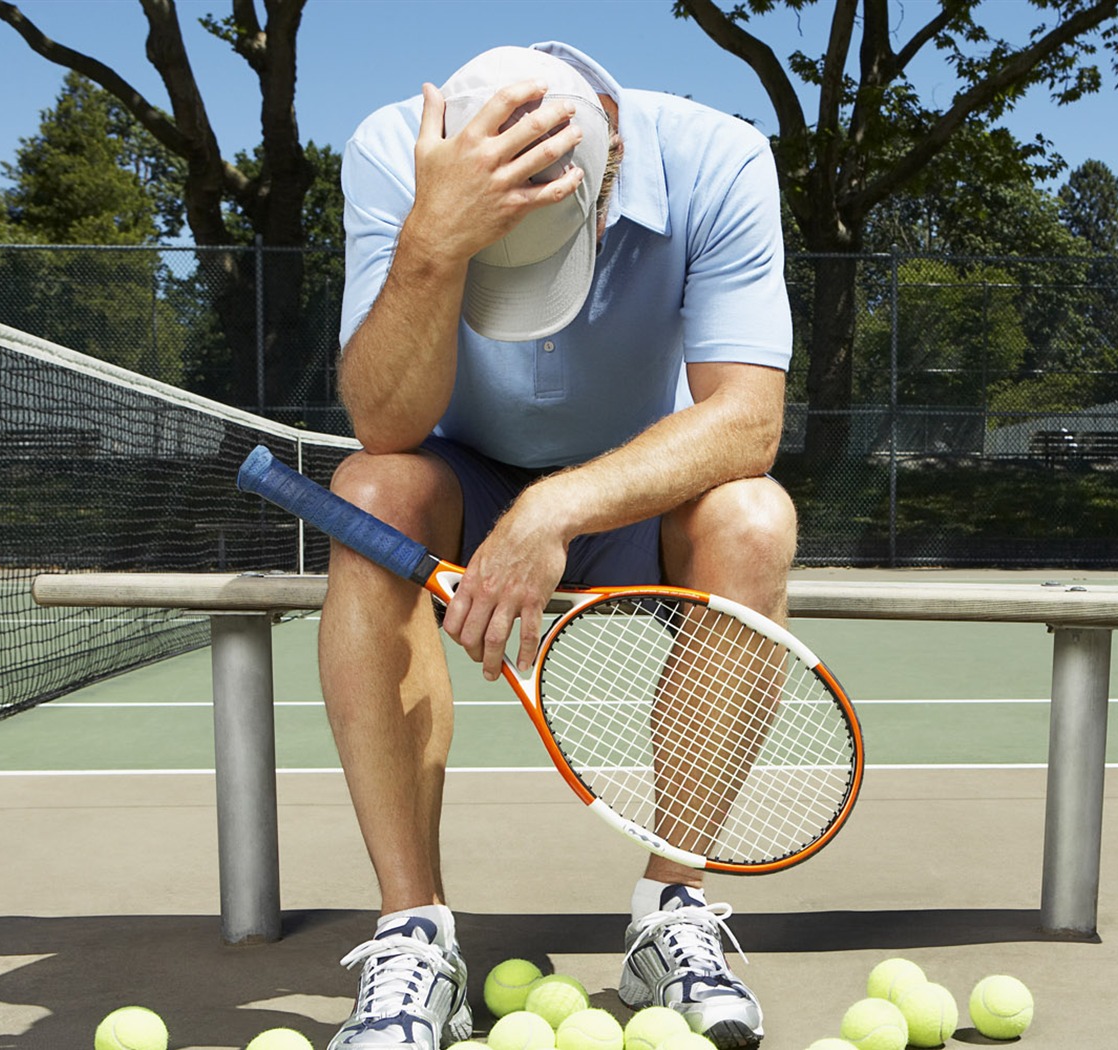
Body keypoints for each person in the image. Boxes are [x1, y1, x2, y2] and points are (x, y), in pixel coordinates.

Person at [324, 41, 795, 1050]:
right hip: (460, 483)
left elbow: (748, 420)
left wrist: (551, 513)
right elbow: (385, 426)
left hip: (637, 492)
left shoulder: (722, 157)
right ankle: (415, 933)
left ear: (610, 152)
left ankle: (673, 911)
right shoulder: (386, 150)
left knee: (755, 516)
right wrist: (434, 243)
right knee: (369, 494)